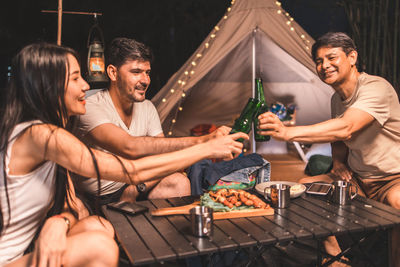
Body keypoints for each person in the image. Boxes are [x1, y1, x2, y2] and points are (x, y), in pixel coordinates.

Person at [0, 42, 247, 266]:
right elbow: (131, 165)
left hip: (24, 252)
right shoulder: (41, 135)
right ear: (48, 86)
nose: (86, 85)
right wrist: (205, 146)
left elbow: (70, 204)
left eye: (147, 72)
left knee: (99, 226)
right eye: (75, 78)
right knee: (99, 245)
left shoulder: (51, 135)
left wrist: (59, 222)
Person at [258, 32, 400, 266]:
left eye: (331, 58)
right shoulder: (337, 99)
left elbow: (346, 127)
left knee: (397, 205)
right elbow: (339, 138)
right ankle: (333, 254)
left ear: (352, 57)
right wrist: (339, 163)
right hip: (359, 180)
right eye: (318, 61)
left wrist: (287, 132)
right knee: (303, 187)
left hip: (392, 179)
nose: (324, 66)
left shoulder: (377, 88)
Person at [73, 37, 230, 204]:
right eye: (136, 72)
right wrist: (204, 141)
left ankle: (164, 230)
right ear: (113, 73)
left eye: (147, 73)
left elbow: (164, 157)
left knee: (179, 181)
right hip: (99, 197)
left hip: (136, 185)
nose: (145, 80)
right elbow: (129, 146)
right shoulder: (90, 107)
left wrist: (137, 188)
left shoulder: (147, 107)